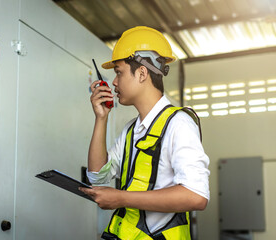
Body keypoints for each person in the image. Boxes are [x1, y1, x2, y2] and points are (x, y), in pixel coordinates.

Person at [79, 26, 210, 240]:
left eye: (119, 72)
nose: (113, 82)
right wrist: (101, 118)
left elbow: (196, 196)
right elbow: (98, 176)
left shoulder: (179, 124)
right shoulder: (132, 129)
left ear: (141, 73)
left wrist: (121, 198)